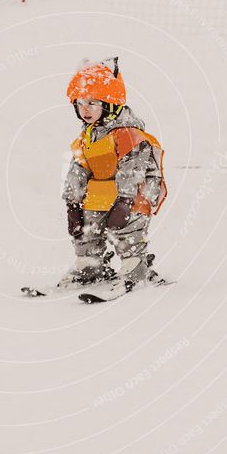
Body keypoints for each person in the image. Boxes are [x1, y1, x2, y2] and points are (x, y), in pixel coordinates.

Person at [60, 57, 167, 290]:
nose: (85, 109)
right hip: (105, 189)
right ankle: (89, 264)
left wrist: (126, 201)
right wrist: (73, 203)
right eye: (80, 103)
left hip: (135, 191)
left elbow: (133, 171)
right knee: (88, 224)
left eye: (92, 103)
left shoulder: (128, 134)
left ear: (110, 105)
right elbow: (78, 168)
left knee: (128, 227)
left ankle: (134, 267)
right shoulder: (88, 135)